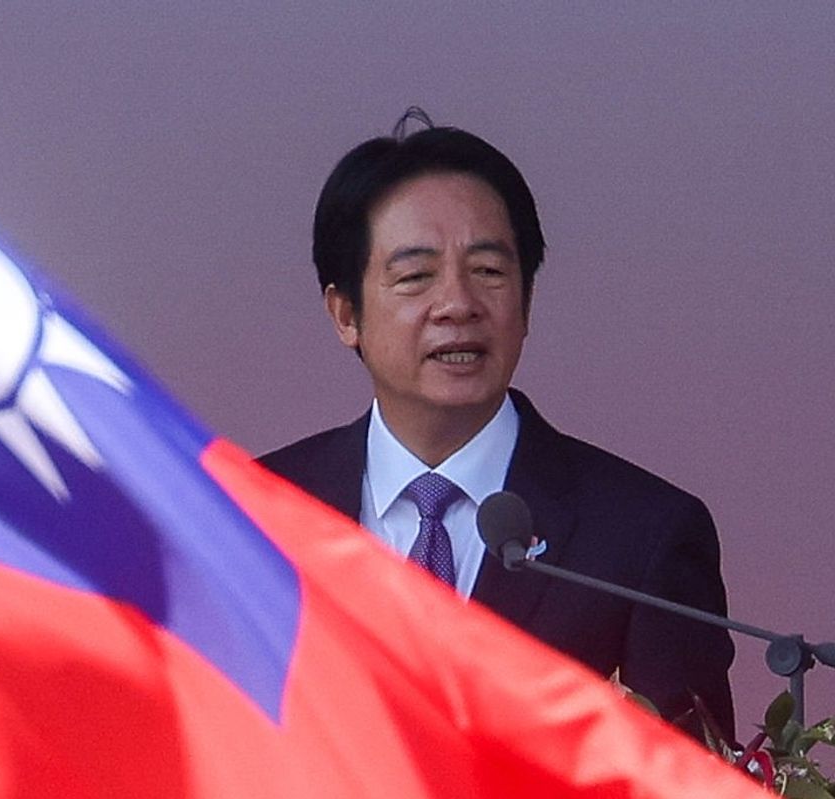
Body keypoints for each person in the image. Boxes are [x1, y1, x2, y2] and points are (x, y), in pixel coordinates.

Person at [259, 109, 736, 741]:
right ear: (346, 313)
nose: (458, 304)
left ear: (527, 301)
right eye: (415, 277)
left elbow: (691, 772)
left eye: (488, 271)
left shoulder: (643, 537)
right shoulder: (258, 514)